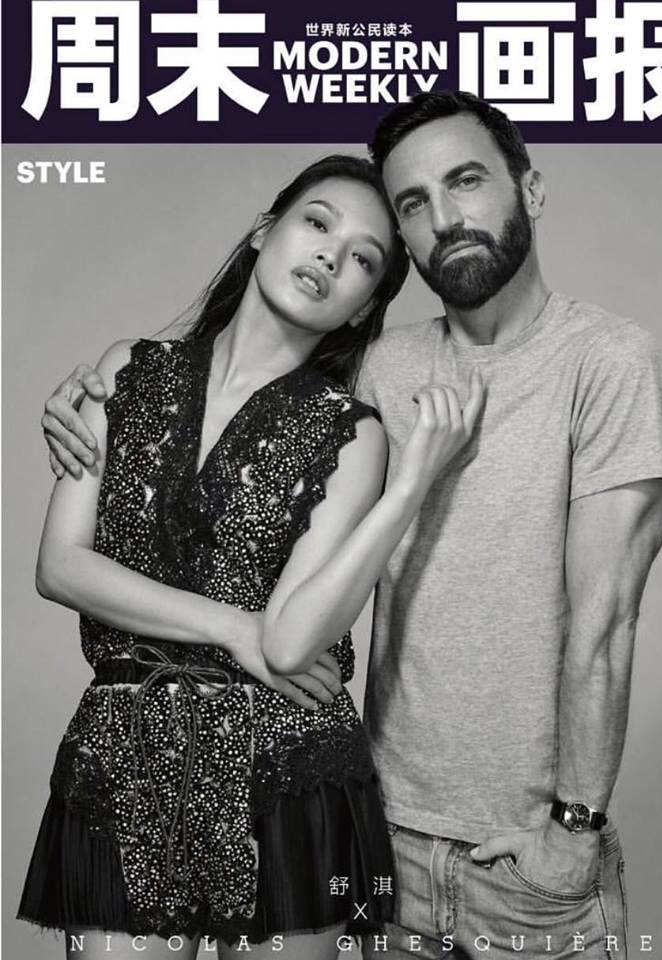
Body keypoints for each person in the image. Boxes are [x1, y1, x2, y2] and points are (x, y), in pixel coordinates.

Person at [39, 93, 662, 959]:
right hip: (387, 830)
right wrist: (79, 401)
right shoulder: (382, 368)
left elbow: (606, 621)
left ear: (530, 189)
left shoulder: (609, 364)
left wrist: (574, 828)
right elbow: (218, 434)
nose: (444, 217)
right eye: (414, 202)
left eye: (466, 181)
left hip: (519, 852)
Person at [19, 153, 484, 960]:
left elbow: (292, 644)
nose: (331, 256)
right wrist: (235, 626)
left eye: (363, 260)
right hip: (125, 751)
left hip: (285, 768)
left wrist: (410, 486)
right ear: (265, 231)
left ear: (362, 309)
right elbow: (60, 566)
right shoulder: (127, 371)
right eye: (317, 223)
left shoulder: (352, 433)